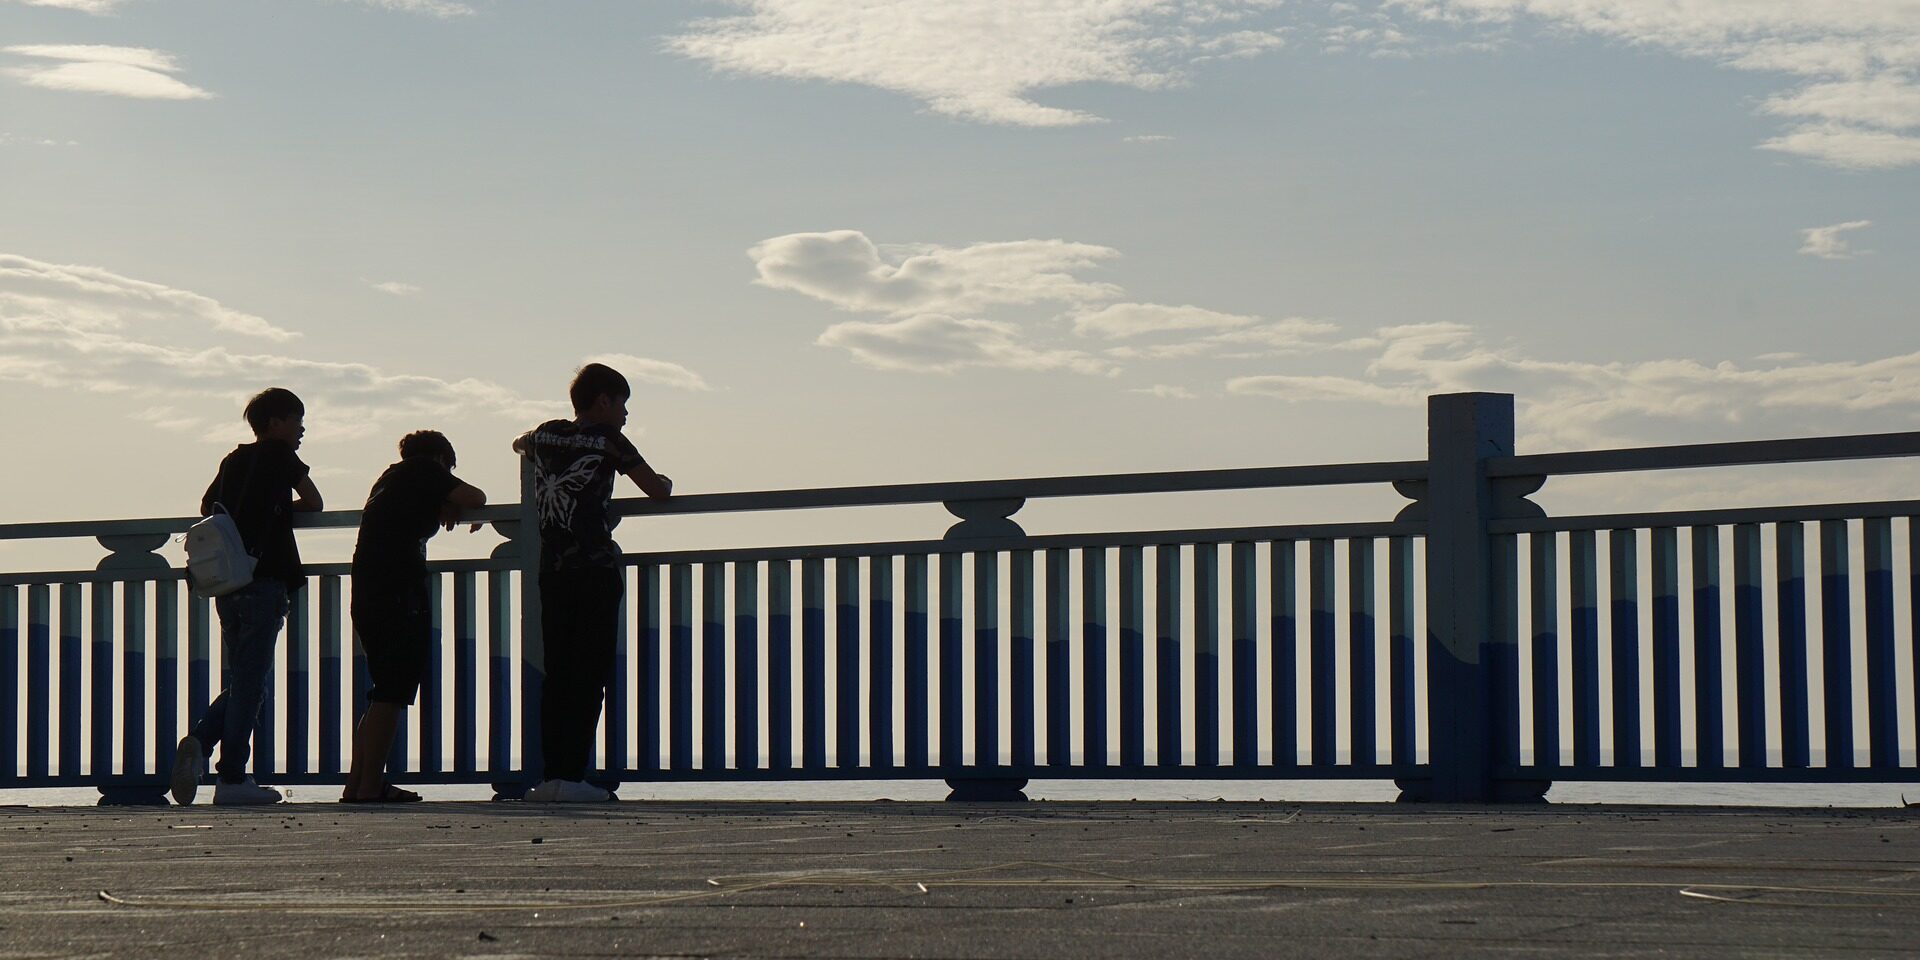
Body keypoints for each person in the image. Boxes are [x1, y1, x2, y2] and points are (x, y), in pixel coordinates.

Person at [513, 363, 672, 802]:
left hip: (553, 573)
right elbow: (656, 490)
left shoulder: (544, 434)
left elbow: (518, 442)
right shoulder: (609, 441)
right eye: (622, 403)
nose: (624, 415)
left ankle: (550, 778)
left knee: (558, 673)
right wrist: (667, 483)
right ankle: (574, 777)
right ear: (603, 400)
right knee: (588, 673)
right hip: (595, 570)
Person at [171, 388, 323, 805]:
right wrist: (278, 509)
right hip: (266, 579)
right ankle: (231, 776)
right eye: (296, 419)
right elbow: (315, 501)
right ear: (274, 423)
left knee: (244, 680)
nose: (301, 429)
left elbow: (210, 507)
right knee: (251, 685)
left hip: (229, 583)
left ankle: (203, 745)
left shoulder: (233, 460)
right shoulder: (281, 456)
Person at [342, 430, 486, 803]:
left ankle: (359, 784)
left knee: (382, 691)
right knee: (394, 690)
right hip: (398, 595)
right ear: (441, 460)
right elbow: (475, 497)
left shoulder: (390, 479)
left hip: (371, 592)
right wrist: (452, 500)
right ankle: (371, 786)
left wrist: (441, 504)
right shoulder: (423, 469)